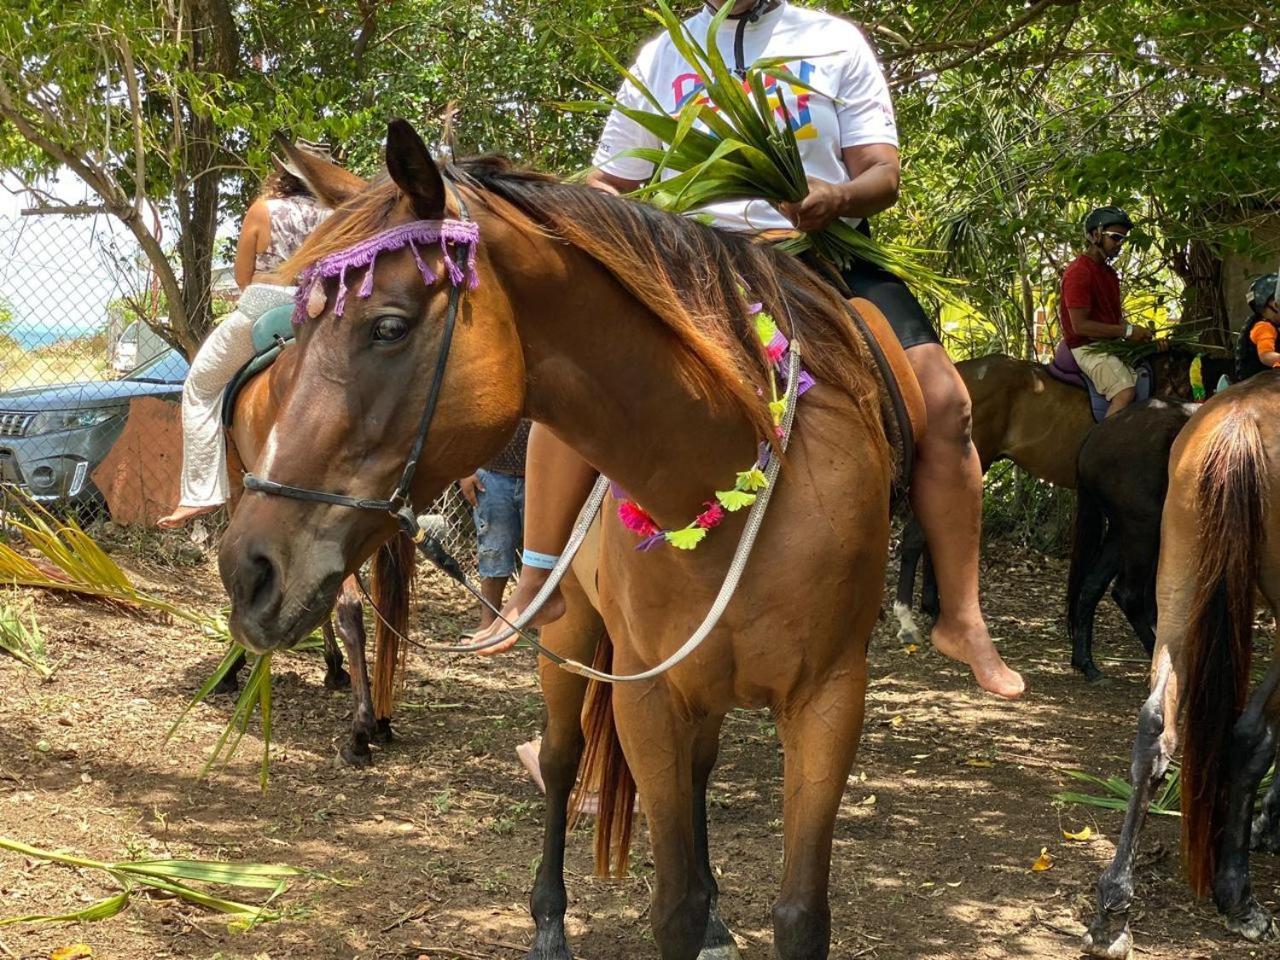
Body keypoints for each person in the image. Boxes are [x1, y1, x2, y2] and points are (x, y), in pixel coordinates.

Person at [470, 0, 1023, 699]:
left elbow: (883, 173)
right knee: (574, 380)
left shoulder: (832, 41)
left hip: (816, 253)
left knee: (944, 401)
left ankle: (962, 616)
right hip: (685, 262)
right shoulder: (665, 55)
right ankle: (538, 578)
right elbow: (613, 179)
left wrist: (839, 193)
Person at [158, 146, 331, 528]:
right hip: (317, 316)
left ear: (283, 172)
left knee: (200, 387)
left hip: (264, 303)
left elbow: (241, 275)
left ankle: (200, 494)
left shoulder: (263, 209)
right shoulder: (335, 216)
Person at [1059, 207, 1153, 418]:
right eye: (1116, 238)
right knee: (1125, 392)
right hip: (1086, 347)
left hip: (1108, 343)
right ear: (1095, 235)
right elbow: (1080, 326)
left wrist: (1140, 337)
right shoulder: (1078, 272)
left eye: (1123, 239)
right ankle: (1102, 449)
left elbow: (1115, 319)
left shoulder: (1109, 274)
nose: (1120, 245)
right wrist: (1127, 332)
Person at [459, 420, 531, 634]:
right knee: (493, 548)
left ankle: (545, 626)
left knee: (545, 551)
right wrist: (466, 469)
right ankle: (488, 623)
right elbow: (467, 419)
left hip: (541, 474)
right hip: (491, 474)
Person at [1235, 272, 1280, 381]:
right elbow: (1266, 356)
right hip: (1262, 382)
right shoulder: (1264, 327)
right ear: (1275, 304)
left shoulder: (1271, 325)